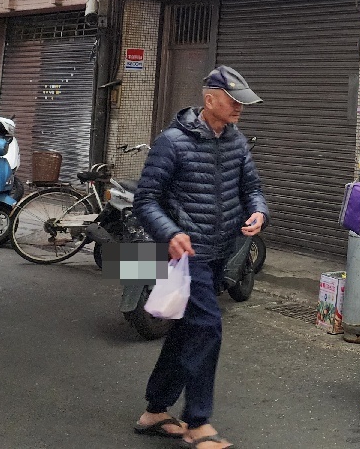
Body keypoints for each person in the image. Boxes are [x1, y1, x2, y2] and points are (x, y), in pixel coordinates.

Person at [132, 65, 269, 449]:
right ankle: (198, 421)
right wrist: (171, 232)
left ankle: (156, 410)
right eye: (233, 100)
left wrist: (258, 211)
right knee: (207, 327)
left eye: (243, 102)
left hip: (218, 251)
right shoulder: (172, 142)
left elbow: (253, 188)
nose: (240, 108)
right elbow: (146, 199)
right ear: (210, 100)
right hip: (183, 254)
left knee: (187, 333)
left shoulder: (236, 142)